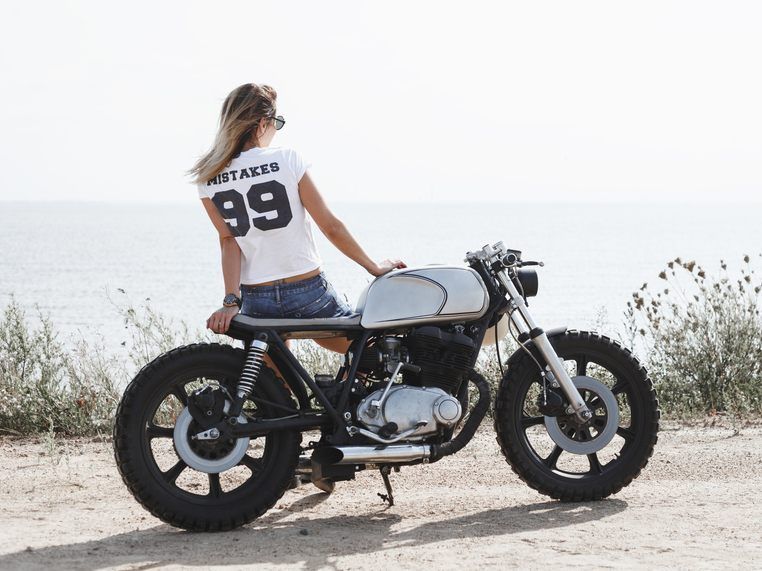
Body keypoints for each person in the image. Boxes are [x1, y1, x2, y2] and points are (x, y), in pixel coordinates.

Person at [189, 82, 406, 365]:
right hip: (308, 292)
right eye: (276, 122)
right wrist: (374, 267)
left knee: (275, 386)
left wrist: (231, 301)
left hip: (258, 300)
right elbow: (330, 226)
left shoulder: (209, 175)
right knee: (367, 355)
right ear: (262, 123)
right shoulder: (286, 159)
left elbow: (229, 241)